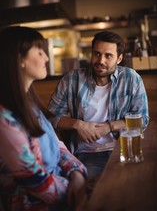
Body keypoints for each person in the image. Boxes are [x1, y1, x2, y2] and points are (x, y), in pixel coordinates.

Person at [0, 26, 87, 211]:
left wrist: (76, 173)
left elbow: (58, 146)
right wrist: (79, 191)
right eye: (40, 52)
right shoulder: (4, 119)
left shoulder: (29, 104)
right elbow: (34, 180)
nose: (46, 58)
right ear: (19, 59)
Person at [48, 30, 149, 178]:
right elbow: (50, 117)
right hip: (88, 154)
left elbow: (142, 120)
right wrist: (77, 124)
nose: (100, 60)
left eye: (108, 56)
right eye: (96, 54)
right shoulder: (71, 80)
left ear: (119, 58)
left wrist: (109, 127)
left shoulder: (131, 79)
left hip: (123, 149)